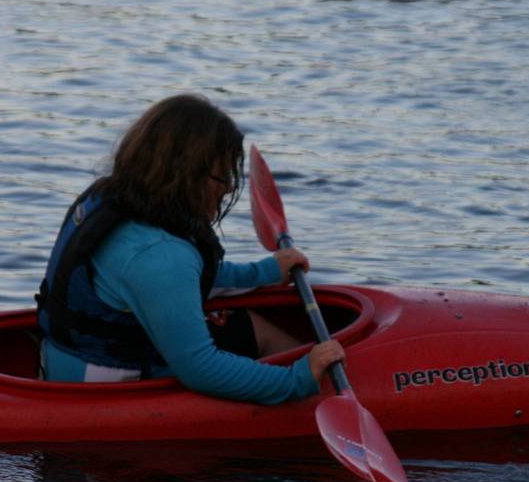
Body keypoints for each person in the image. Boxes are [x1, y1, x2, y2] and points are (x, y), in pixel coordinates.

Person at [36, 93, 345, 404]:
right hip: (104, 388)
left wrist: (263, 272)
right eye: (222, 177)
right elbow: (201, 368)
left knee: (247, 324)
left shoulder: (111, 200)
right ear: (186, 174)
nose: (228, 188)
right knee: (257, 337)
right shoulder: (159, 254)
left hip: (70, 359)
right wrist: (297, 379)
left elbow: (179, 282)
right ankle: (324, 396)